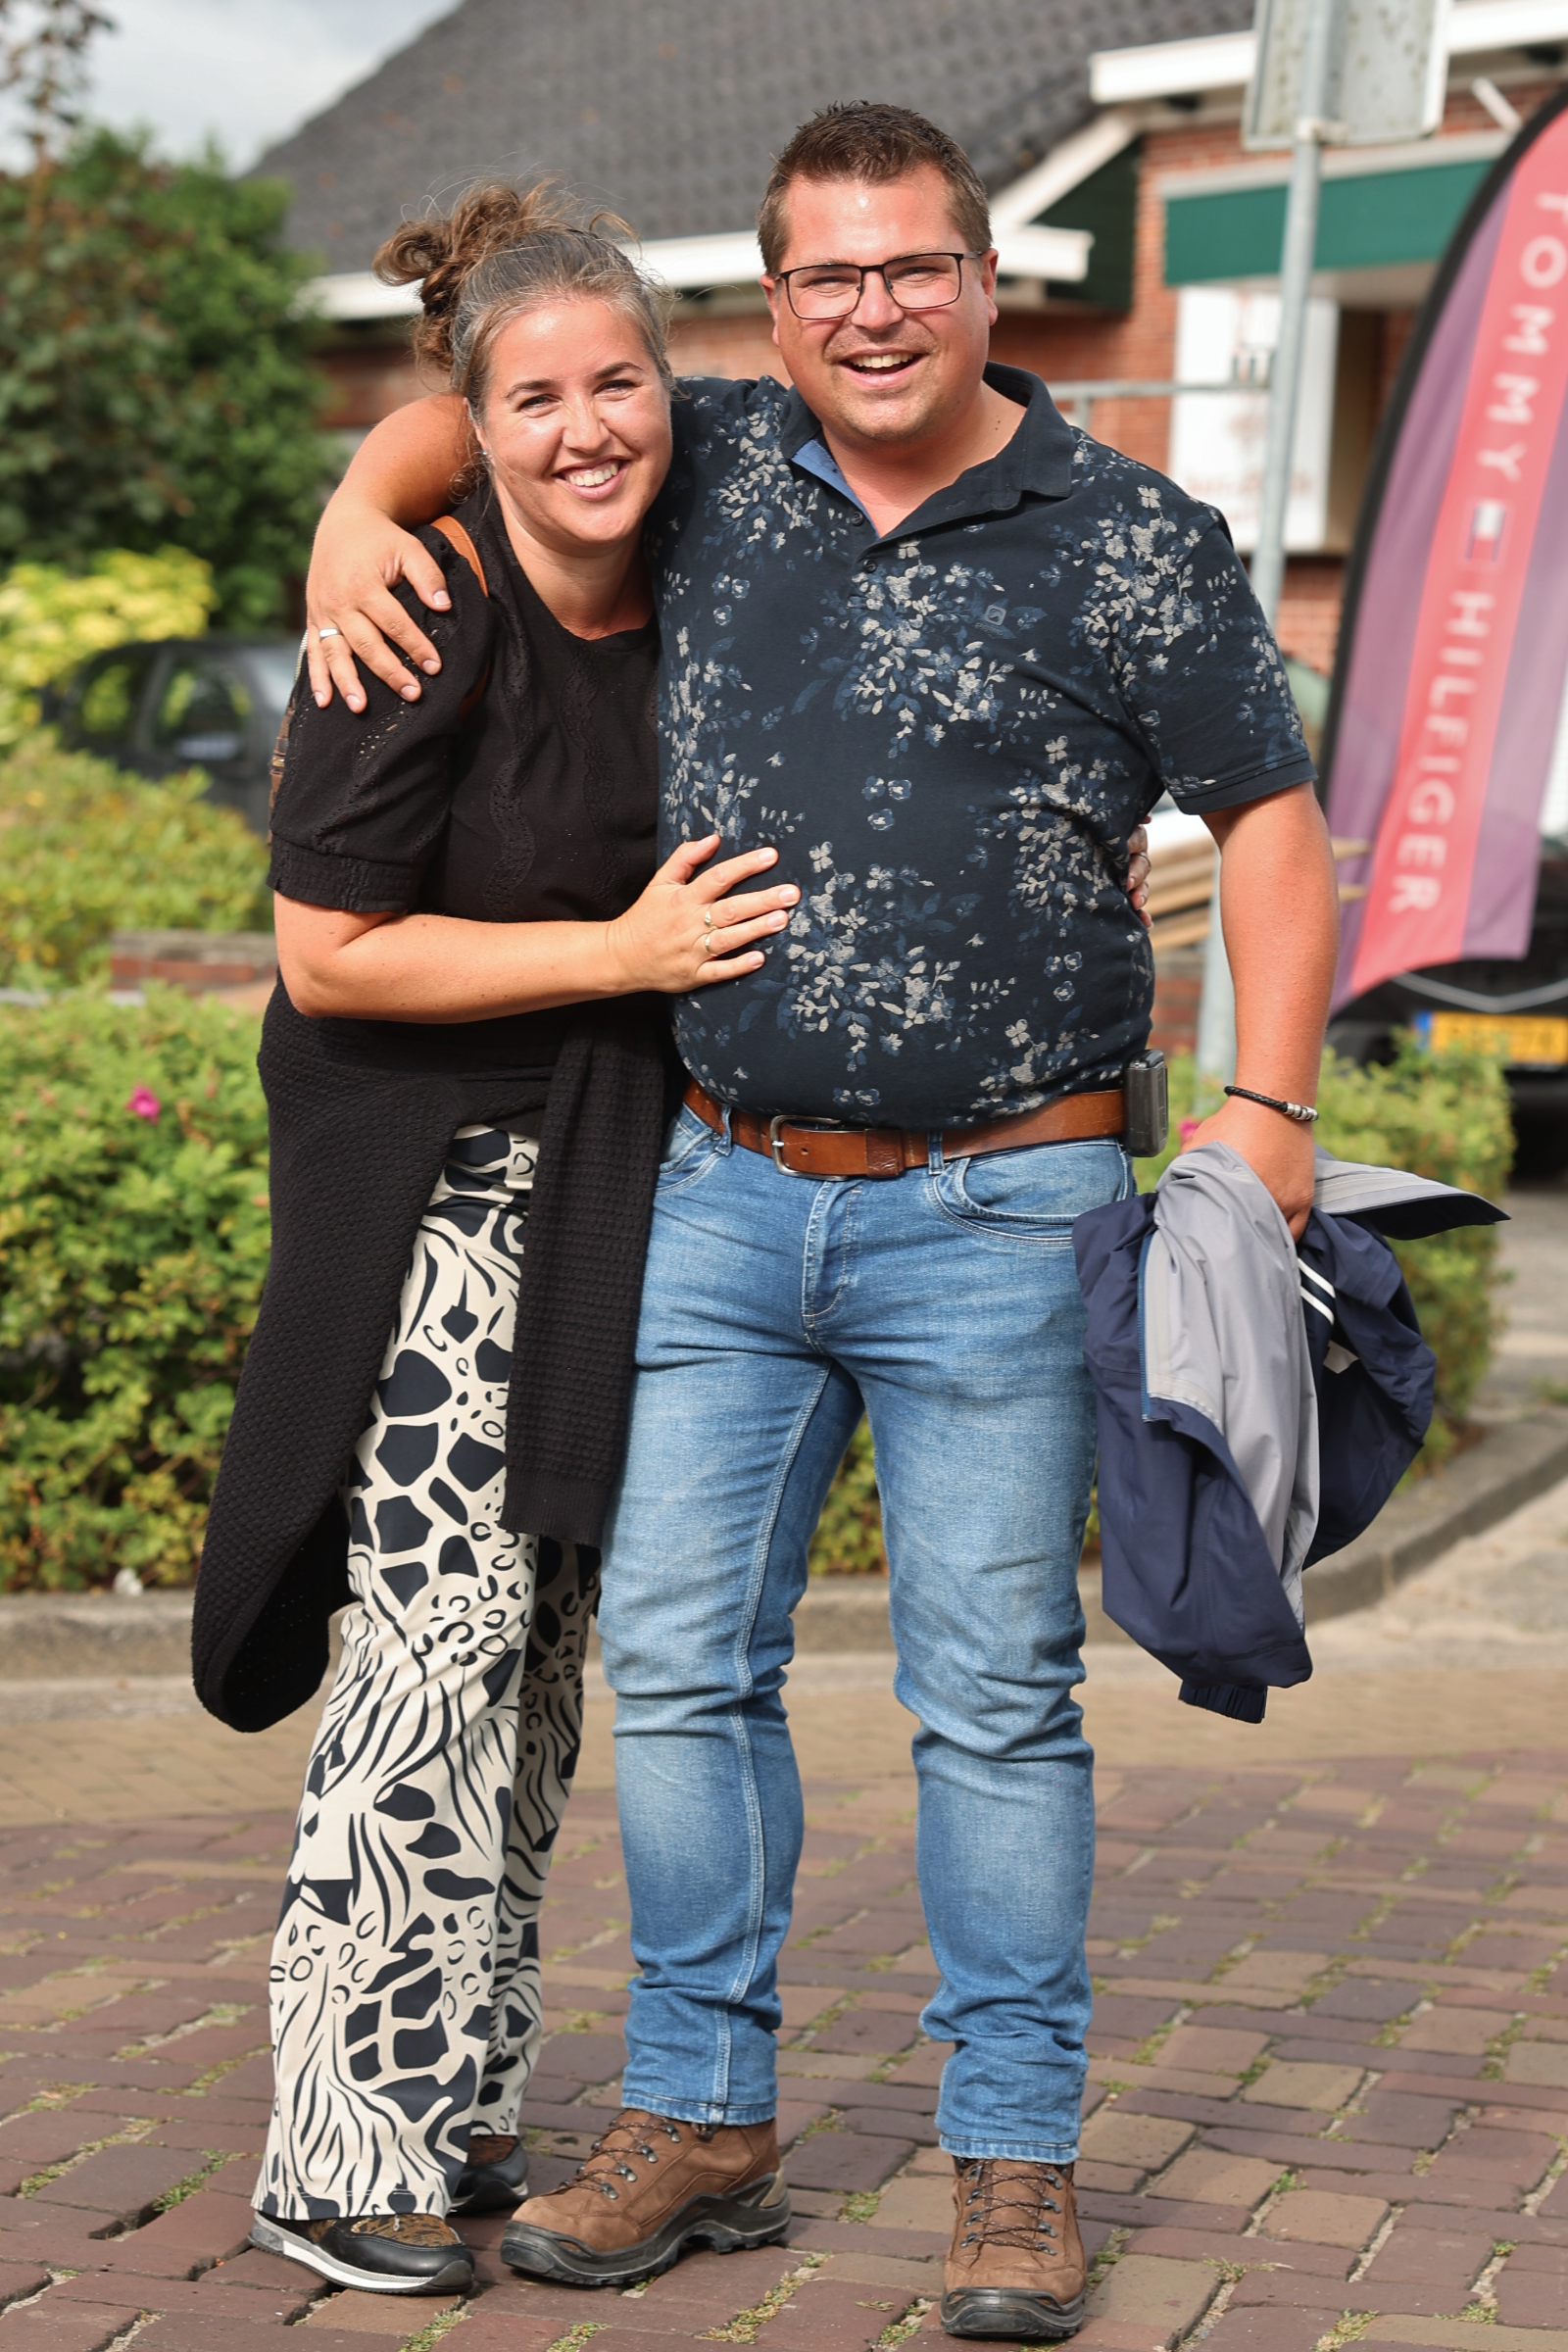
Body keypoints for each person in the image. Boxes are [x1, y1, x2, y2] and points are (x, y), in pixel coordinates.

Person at [303, 102, 1336, 2344]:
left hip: (1007, 1199)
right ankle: (700, 2113)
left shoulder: (1131, 538)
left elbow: (1266, 814)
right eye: (826, 277)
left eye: (911, 266)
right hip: (719, 1189)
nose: (872, 310)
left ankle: (1010, 2160)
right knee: (681, 1668)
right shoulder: (716, 458)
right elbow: (491, 394)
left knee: (991, 1700)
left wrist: (1269, 1100)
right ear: (770, 308)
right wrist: (353, 508)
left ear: (981, 280)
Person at [192, 183, 803, 2299]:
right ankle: (331, 2143)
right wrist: (617, 950)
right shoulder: (421, 611)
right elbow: (330, 954)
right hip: (434, 1179)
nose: (583, 428)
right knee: (433, 1641)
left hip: (608, 1179)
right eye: (531, 400)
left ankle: (446, 2095)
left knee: (534, 1661)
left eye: (617, 382)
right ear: (477, 420)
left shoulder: (695, 556)